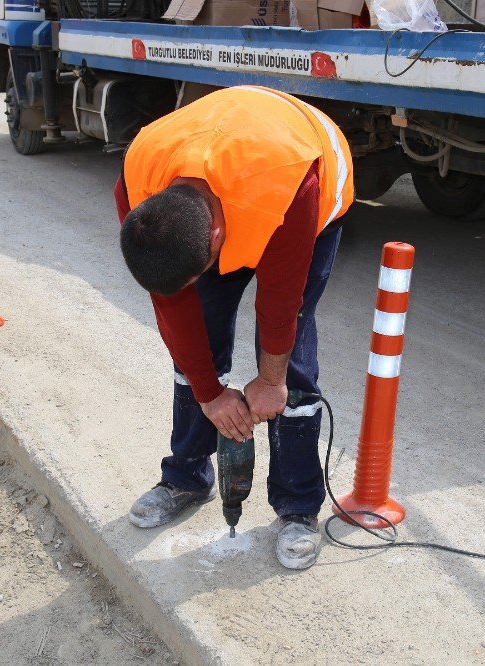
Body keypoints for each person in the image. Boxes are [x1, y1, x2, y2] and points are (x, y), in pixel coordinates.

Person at [113, 86, 354, 570]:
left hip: (297, 179)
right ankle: (185, 476)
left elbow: (279, 304)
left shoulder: (286, 185)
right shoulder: (139, 184)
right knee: (194, 342)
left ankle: (298, 506)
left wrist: (269, 382)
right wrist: (208, 391)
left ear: (218, 239)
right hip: (229, 177)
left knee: (293, 365)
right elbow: (171, 303)